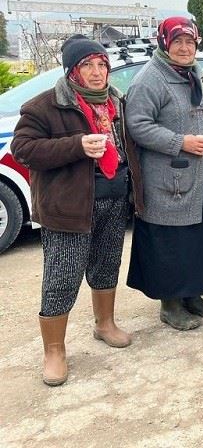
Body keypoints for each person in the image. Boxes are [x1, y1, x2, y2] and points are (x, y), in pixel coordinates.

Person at [12, 35, 132, 386]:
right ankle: (54, 350)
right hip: (68, 205)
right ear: (72, 71)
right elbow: (23, 149)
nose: (97, 73)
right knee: (62, 277)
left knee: (107, 264)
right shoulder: (45, 106)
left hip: (113, 196)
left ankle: (104, 323)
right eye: (88, 66)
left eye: (102, 65)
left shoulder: (115, 101)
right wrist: (76, 145)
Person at [125, 16, 203, 331]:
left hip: (200, 171)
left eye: (190, 42)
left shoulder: (191, 73)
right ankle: (170, 305)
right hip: (169, 177)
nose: (185, 48)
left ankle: (192, 296)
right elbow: (138, 126)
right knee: (171, 240)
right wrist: (181, 142)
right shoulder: (151, 80)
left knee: (197, 237)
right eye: (178, 42)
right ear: (164, 43)